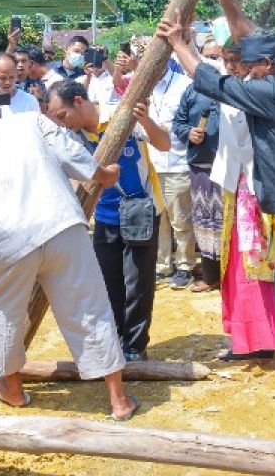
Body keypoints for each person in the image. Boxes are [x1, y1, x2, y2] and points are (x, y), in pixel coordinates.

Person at [157, 0, 275, 351]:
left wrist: (177, 44)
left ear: (266, 64)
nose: (244, 69)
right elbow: (252, 38)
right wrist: (228, 4)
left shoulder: (271, 93)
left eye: (250, 65)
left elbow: (211, 82)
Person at [0, 97, 139, 420]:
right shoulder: (29, 121)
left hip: (8, 239)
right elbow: (71, 152)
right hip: (61, 225)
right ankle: (118, 399)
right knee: (91, 307)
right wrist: (103, 175)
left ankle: (12, 390)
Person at [45, 80, 170, 362]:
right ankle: (114, 342)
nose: (63, 124)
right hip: (103, 216)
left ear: (78, 101)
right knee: (108, 284)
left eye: (63, 116)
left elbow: (164, 144)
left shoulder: (121, 116)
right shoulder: (72, 136)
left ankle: (135, 347)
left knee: (138, 284)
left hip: (141, 210)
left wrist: (146, 121)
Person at [206, 40, 275, 360]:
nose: (230, 67)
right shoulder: (236, 88)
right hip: (235, 187)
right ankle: (245, 336)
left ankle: (261, 337)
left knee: (257, 264)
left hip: (256, 189)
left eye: (235, 61)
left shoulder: (260, 92)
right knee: (236, 264)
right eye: (226, 61)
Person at [171, 42, 221, 292]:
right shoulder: (192, 91)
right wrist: (188, 133)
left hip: (229, 169)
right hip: (201, 166)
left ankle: (230, 275)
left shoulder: (230, 89)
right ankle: (211, 276)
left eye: (215, 57)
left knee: (229, 222)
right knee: (204, 223)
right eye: (208, 56)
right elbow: (178, 122)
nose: (212, 61)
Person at [148, 57, 196, 288]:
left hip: (177, 161)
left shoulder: (183, 84)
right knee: (159, 220)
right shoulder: (140, 85)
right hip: (151, 162)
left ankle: (186, 265)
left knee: (181, 220)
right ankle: (162, 266)